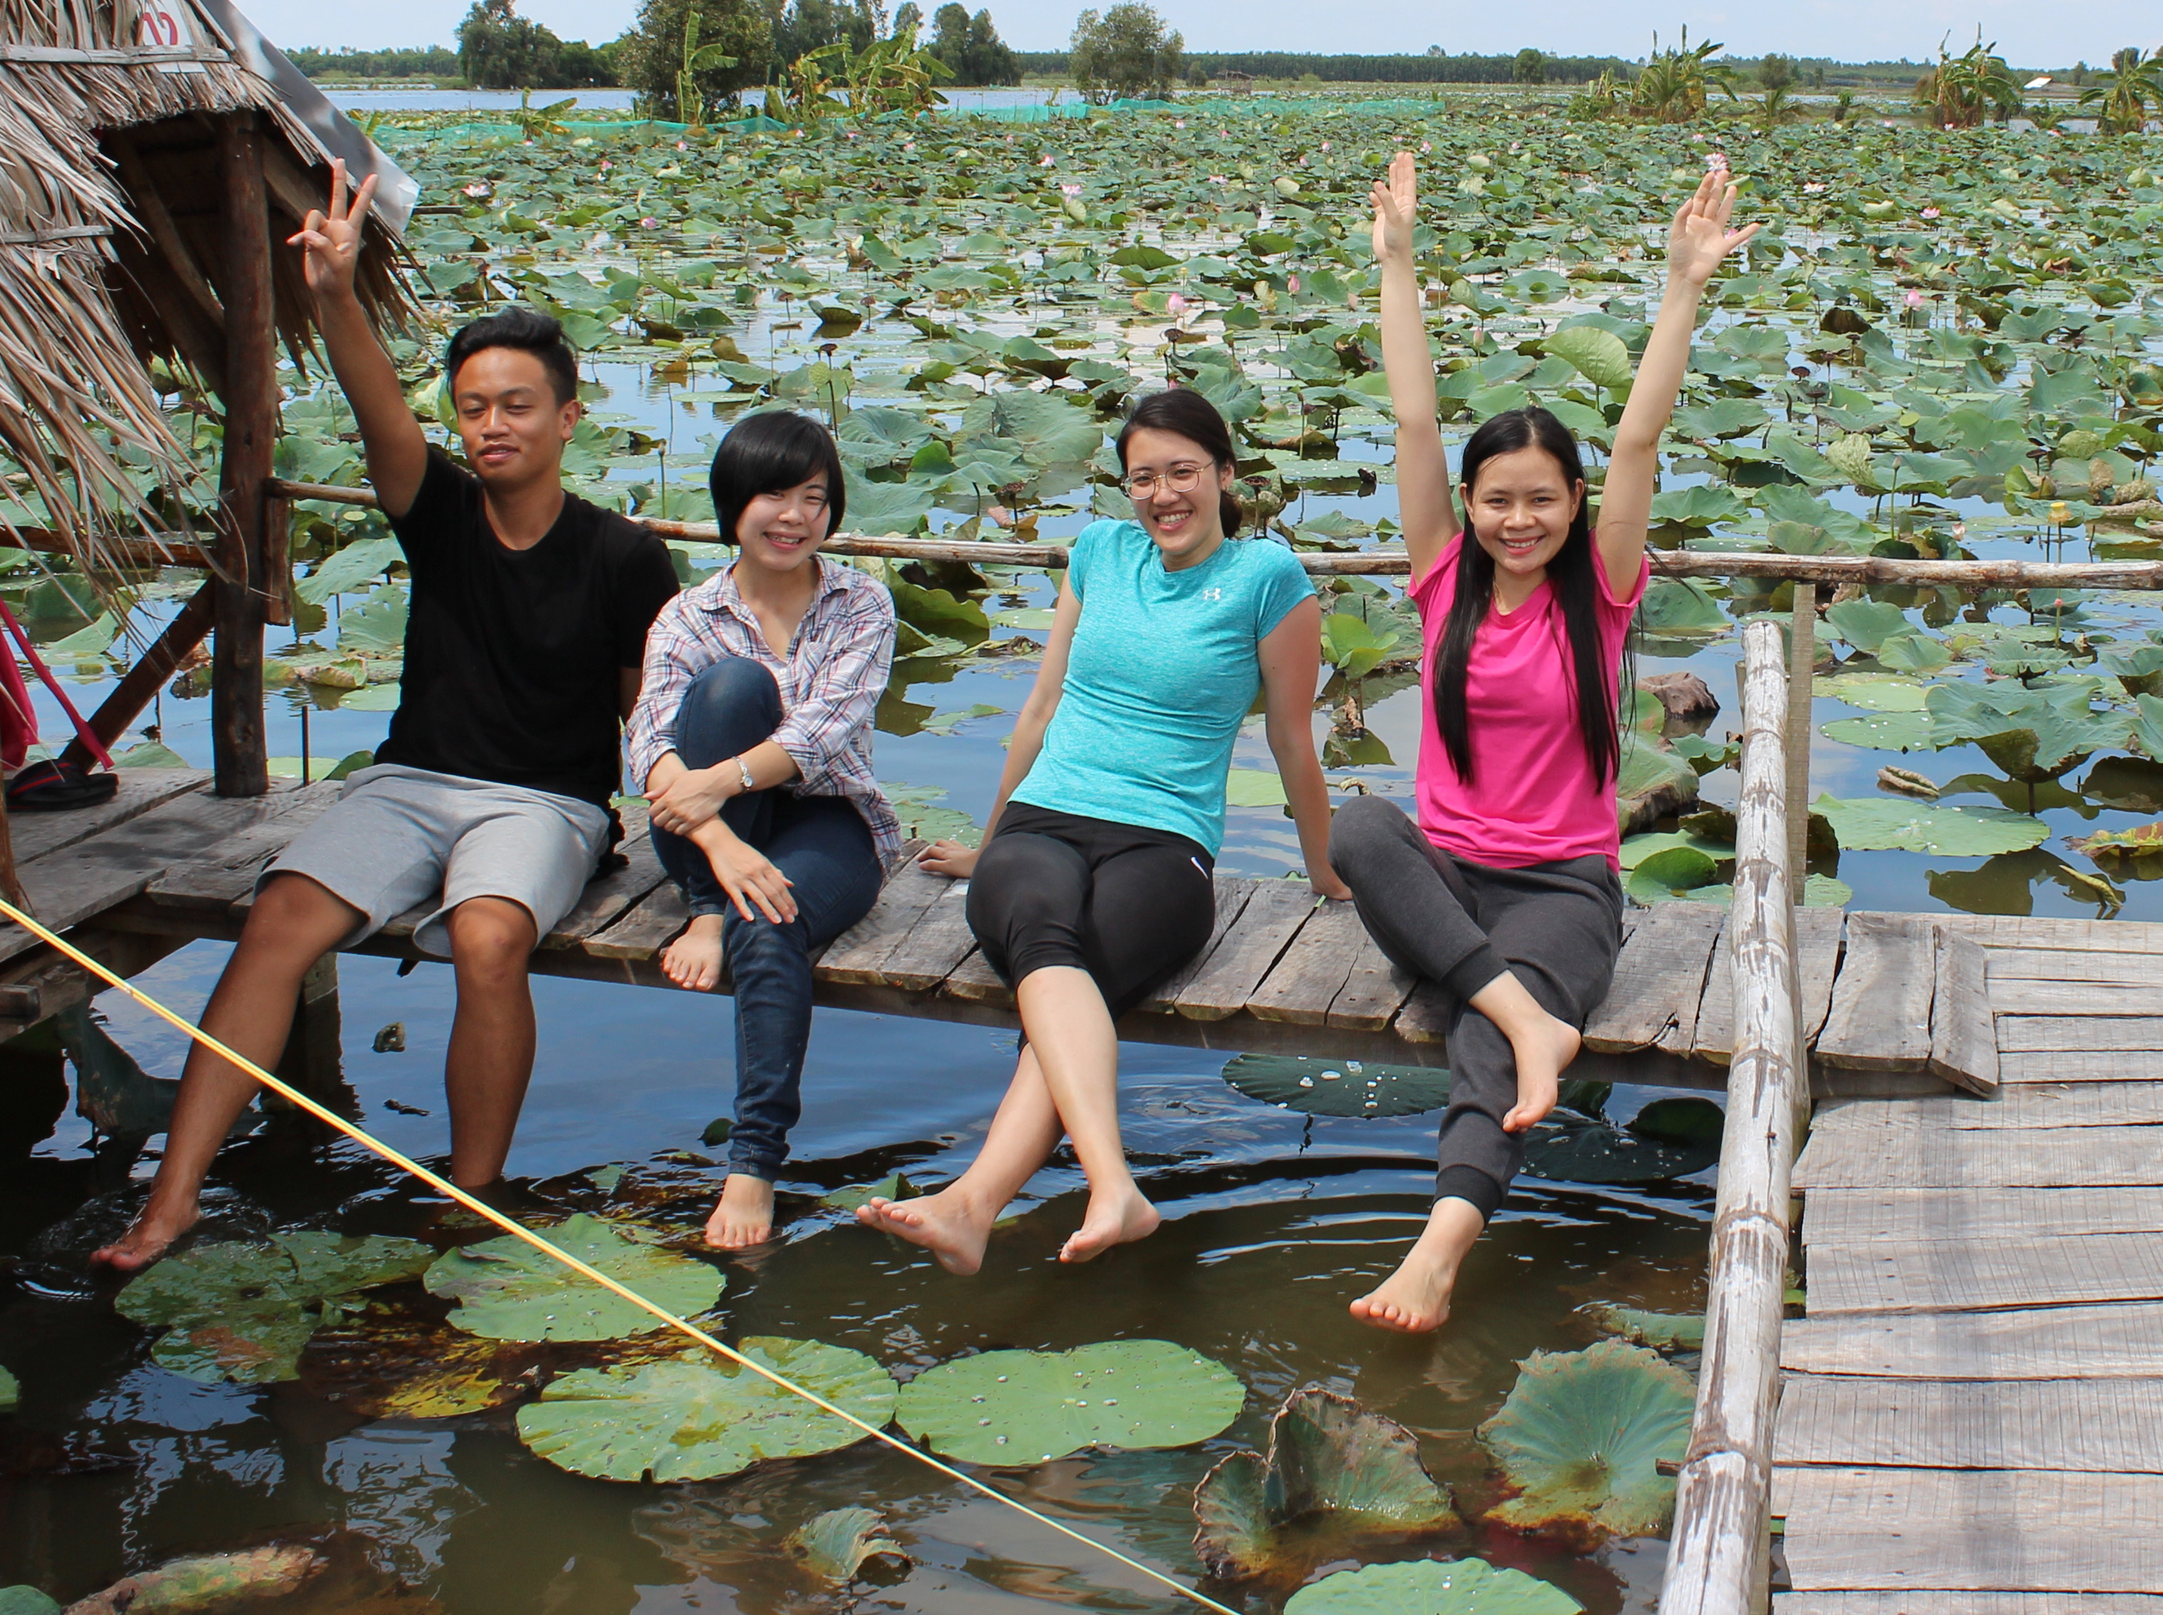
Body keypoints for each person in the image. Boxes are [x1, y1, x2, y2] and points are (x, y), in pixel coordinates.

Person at [96, 167, 677, 1270]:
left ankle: (471, 1195)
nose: (493, 424)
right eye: (473, 406)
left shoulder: (624, 554)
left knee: (488, 934)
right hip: (411, 784)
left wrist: (698, 807)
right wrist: (335, 296)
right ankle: (172, 1201)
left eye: (516, 404)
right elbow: (375, 406)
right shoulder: (439, 509)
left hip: (546, 802)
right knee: (276, 920)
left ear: (568, 413)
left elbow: (643, 712)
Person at [1329, 149, 1751, 1334]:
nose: (1519, 519)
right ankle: (1527, 1016)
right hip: (1448, 872)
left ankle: (1441, 1246)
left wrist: (1682, 288)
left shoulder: (1600, 591)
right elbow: (1414, 416)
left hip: (1564, 881)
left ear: (1573, 506)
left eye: (1542, 499)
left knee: (1480, 1028)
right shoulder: (1441, 578)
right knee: (1364, 825)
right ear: (1469, 505)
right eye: (1497, 499)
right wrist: (1397, 261)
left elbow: (1638, 447)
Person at [860, 389, 1339, 1271]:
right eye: (1143, 478)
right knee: (1045, 932)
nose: (1164, 494)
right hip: (1047, 815)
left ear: (1225, 475)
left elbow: (1290, 738)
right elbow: (1039, 709)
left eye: (1183, 472)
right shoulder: (1099, 553)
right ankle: (1103, 1189)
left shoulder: (1269, 580)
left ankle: (976, 1201)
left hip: (1165, 840)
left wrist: (1324, 868)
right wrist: (988, 839)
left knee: (1087, 961)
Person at [627, 410, 914, 1251]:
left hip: (828, 816)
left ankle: (752, 1163)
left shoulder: (861, 603)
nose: (793, 516)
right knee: (729, 690)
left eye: (813, 498)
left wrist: (712, 786)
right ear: (733, 504)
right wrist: (720, 842)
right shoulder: (687, 615)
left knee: (774, 917)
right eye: (772, 495)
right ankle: (706, 905)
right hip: (705, 839)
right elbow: (647, 738)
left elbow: (825, 730)